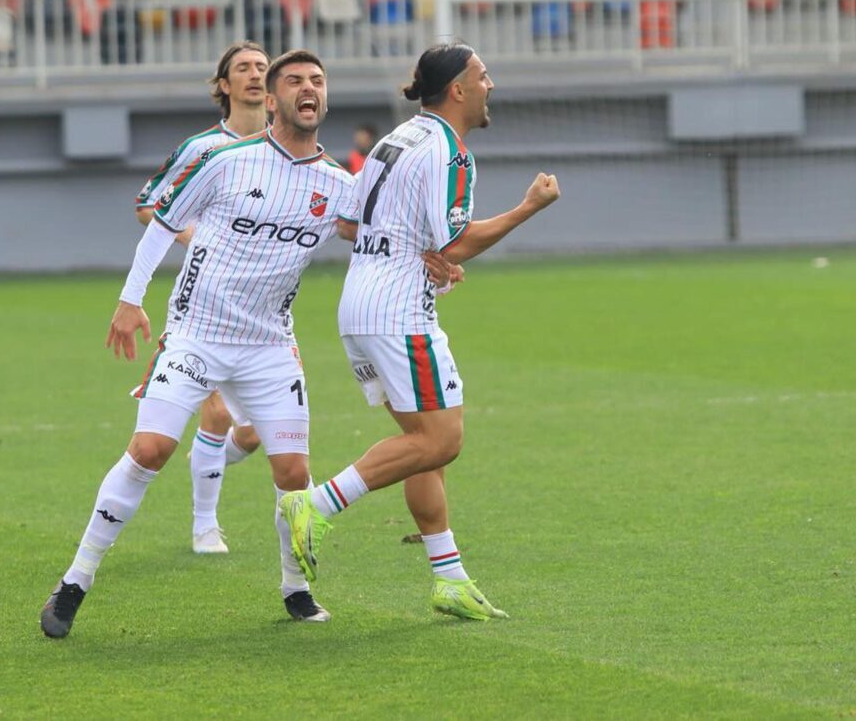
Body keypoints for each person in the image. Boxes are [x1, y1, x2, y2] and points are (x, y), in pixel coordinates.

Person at [40, 50, 358, 637]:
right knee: (150, 449)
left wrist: (431, 261)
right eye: (294, 80)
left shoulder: (341, 185)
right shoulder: (223, 159)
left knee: (294, 472)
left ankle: (296, 588)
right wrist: (131, 300)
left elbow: (375, 237)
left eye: (317, 80)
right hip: (195, 334)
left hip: (269, 345)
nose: (308, 88)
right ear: (273, 99)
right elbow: (160, 222)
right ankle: (74, 582)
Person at [279, 44, 562, 621]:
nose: (490, 85)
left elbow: (355, 223)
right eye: (483, 76)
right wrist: (528, 207)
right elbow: (458, 241)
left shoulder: (397, 138)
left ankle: (449, 578)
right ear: (457, 89)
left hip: (359, 305)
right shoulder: (451, 152)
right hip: (399, 313)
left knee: (419, 447)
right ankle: (317, 505)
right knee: (441, 440)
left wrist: (425, 254)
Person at [134, 42, 271, 555]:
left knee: (253, 434)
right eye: (244, 68)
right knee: (215, 415)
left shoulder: (286, 148)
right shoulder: (201, 148)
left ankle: (205, 460)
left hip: (262, 311)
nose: (255, 75)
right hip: (203, 304)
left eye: (263, 67)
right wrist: (193, 236)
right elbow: (148, 204)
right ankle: (204, 526)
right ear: (224, 85)